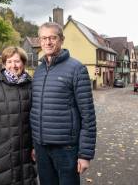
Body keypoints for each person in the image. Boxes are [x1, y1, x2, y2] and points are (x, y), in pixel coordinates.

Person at [30, 22, 96, 185]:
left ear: (61, 40)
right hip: (41, 147)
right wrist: (34, 144)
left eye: (53, 37)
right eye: (44, 38)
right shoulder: (38, 71)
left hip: (66, 148)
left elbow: (88, 115)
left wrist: (84, 155)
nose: (48, 42)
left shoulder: (76, 69)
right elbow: (35, 110)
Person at [0, 46, 37, 185]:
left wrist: (36, 147)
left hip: (25, 154)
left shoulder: (31, 85)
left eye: (17, 61)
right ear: (4, 64)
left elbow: (36, 120)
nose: (13, 65)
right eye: (9, 61)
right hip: (1, 154)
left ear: (23, 63)